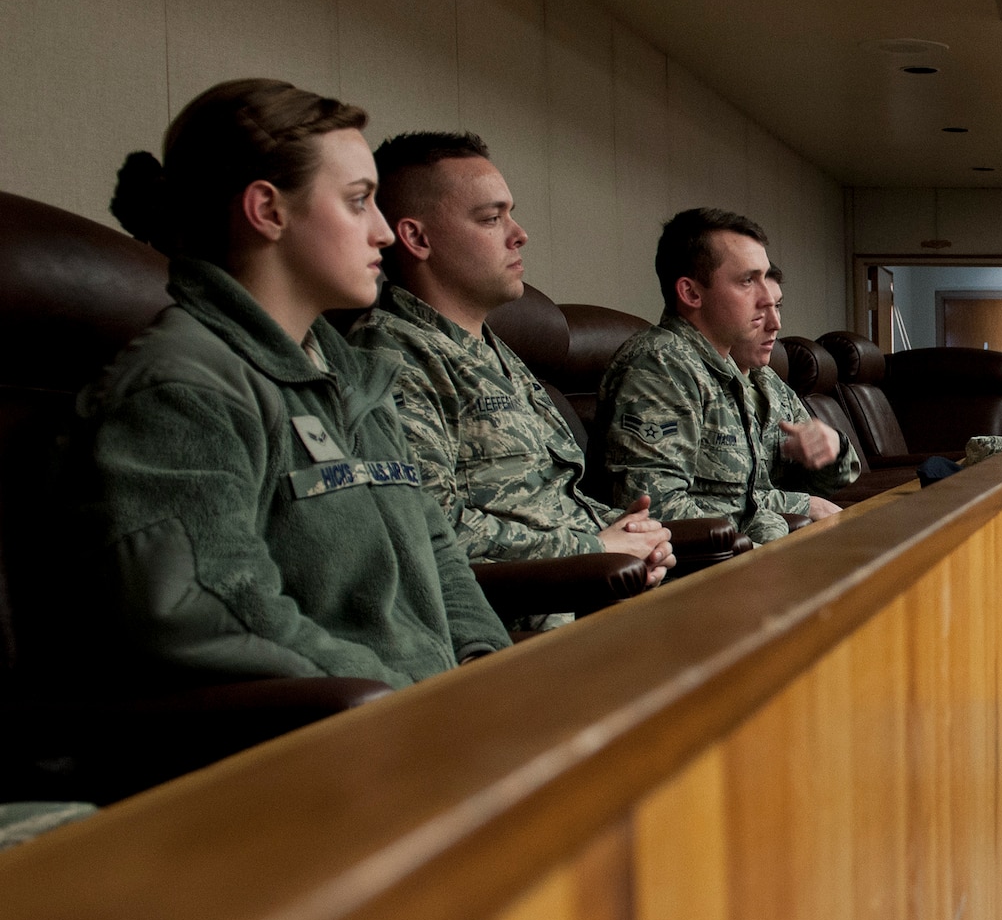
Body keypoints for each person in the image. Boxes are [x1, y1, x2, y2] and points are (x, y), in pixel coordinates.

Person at [85, 78, 511, 689]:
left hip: (421, 719)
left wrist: (488, 672)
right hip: (322, 745)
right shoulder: (181, 389)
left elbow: (439, 558)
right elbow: (215, 611)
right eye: (360, 201)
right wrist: (412, 701)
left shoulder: (358, 378)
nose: (385, 234)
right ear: (268, 211)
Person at [347, 132, 671, 627]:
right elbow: (427, 527)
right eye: (491, 218)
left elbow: (544, 496)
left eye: (510, 214)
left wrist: (630, 533)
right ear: (417, 239)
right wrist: (593, 548)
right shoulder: (393, 355)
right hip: (515, 626)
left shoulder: (496, 351)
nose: (519, 234)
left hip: (593, 598)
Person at [599, 207, 795, 543]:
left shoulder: (726, 369)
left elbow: (743, 501)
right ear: (691, 293)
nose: (766, 300)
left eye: (764, 278)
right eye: (748, 281)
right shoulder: (660, 365)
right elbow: (655, 510)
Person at [728, 264, 858, 523]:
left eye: (777, 306)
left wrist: (833, 449)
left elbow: (825, 482)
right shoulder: (689, 379)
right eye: (759, 308)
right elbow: (712, 498)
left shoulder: (769, 381)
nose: (776, 324)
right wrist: (805, 505)